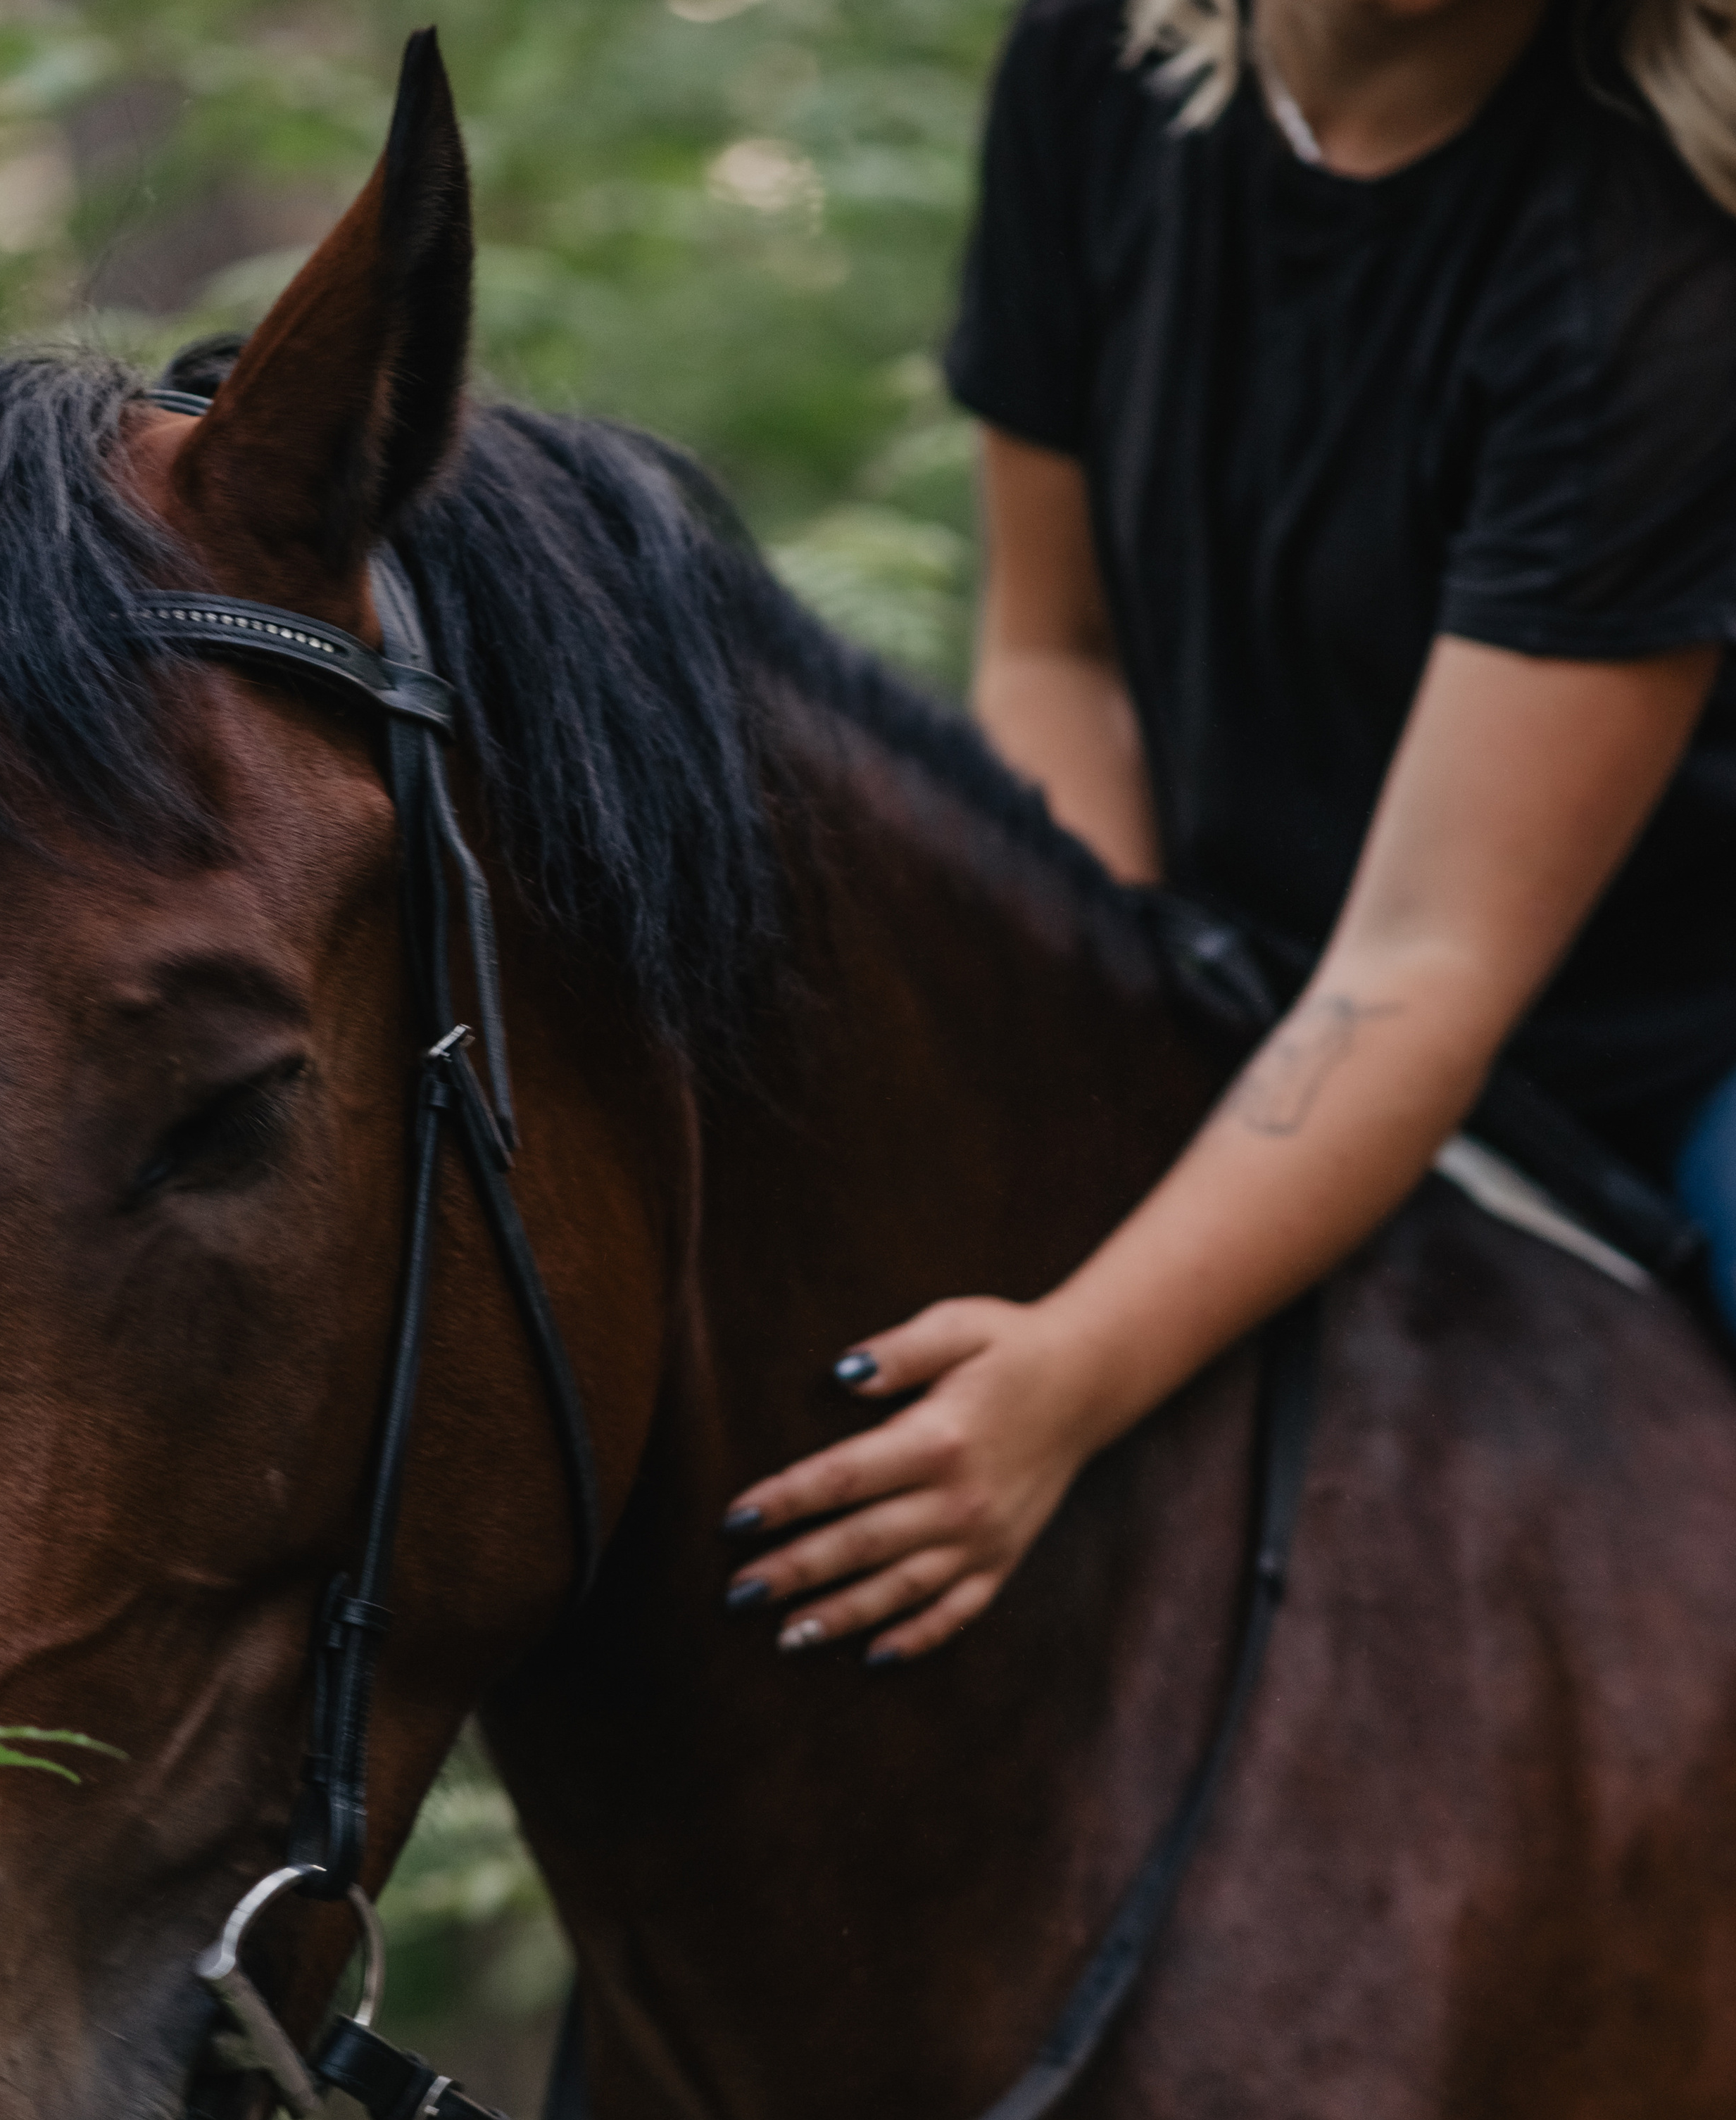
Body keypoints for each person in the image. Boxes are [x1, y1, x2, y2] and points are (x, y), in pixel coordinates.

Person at [724, 0, 1736, 1664]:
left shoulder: (1656, 267)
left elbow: (1427, 958)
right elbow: (1059, 657)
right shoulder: (1089, 66)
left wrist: (1074, 1377)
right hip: (1235, 972)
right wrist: (1111, 1038)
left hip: (1661, 1035)